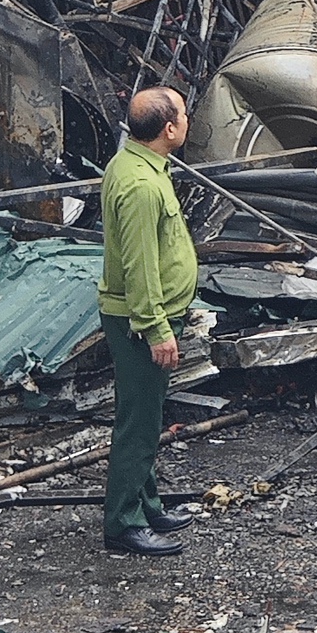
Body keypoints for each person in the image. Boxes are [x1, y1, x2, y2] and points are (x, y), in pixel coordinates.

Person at [97, 82, 198, 556]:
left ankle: (146, 502)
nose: (187, 121)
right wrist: (156, 329)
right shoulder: (140, 184)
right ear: (169, 128)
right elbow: (139, 266)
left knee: (148, 414)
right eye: (182, 114)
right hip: (141, 322)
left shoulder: (138, 162)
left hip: (147, 316)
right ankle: (122, 525)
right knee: (138, 423)